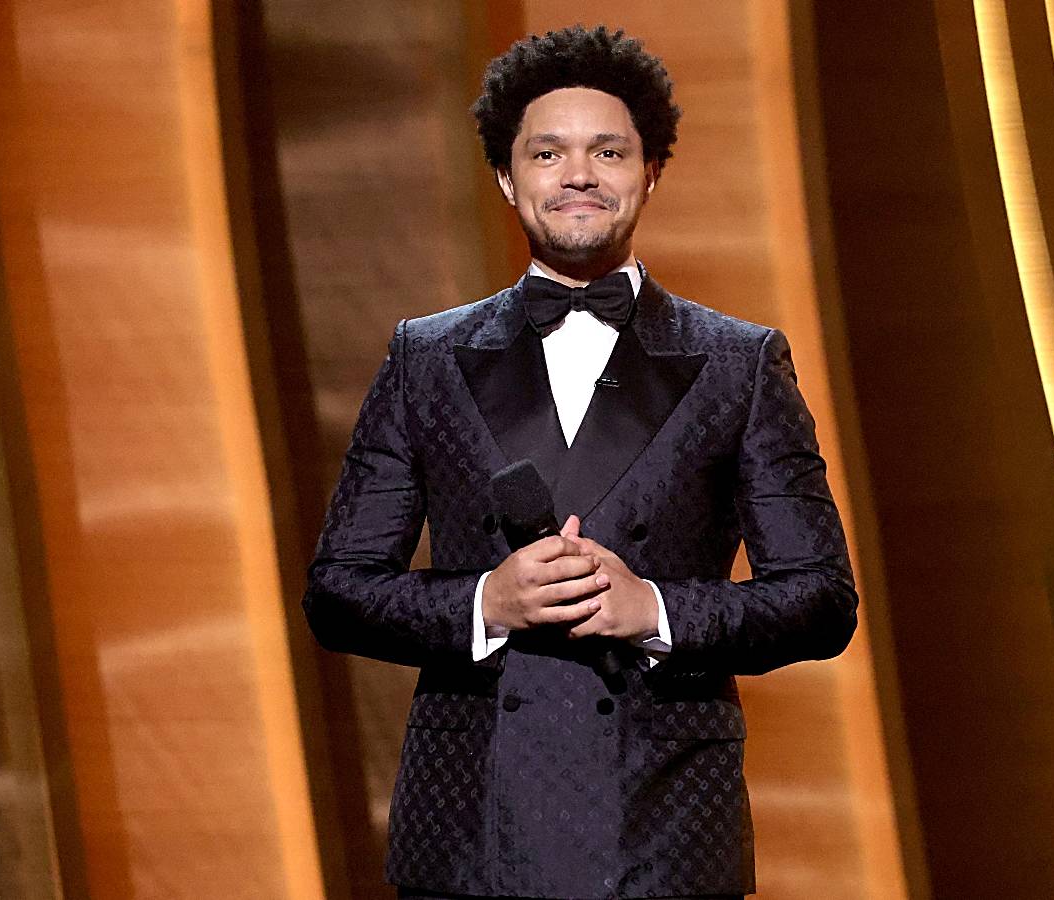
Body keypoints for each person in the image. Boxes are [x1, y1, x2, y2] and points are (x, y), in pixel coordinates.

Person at [304, 24, 856, 900]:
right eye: (547, 152)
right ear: (505, 177)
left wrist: (656, 610)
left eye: (608, 150)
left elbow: (822, 601)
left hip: (664, 824)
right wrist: (490, 600)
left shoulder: (739, 361)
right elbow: (338, 591)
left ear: (651, 171)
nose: (578, 176)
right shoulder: (427, 356)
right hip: (474, 824)